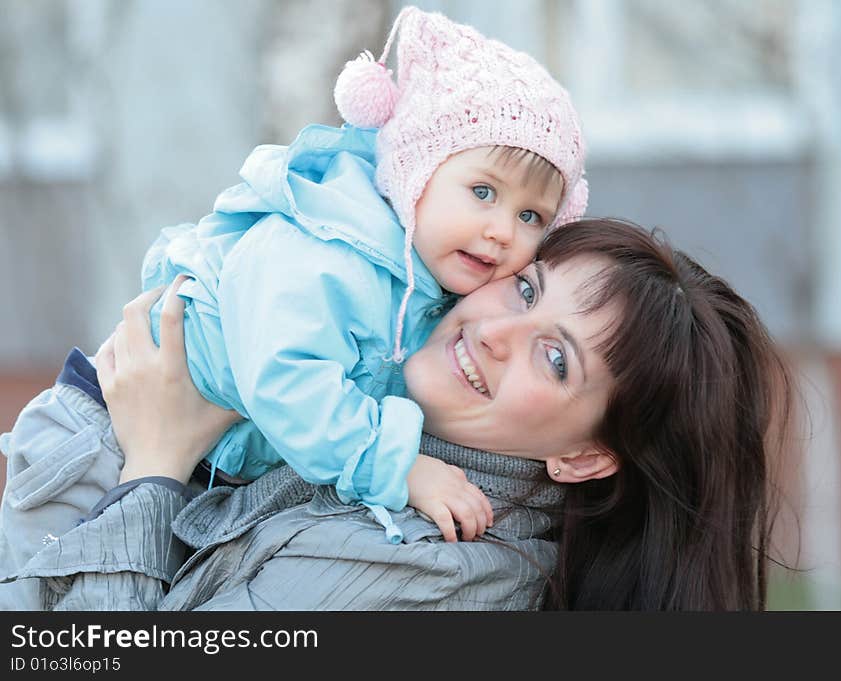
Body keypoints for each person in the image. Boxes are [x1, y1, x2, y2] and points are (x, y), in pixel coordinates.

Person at [0, 3, 588, 570]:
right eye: (483, 192)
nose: (501, 231)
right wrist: (398, 466)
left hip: (183, 458)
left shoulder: (428, 280)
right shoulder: (331, 246)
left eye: (531, 217)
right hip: (101, 437)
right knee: (49, 624)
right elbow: (286, 375)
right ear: (417, 171)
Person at [1, 218, 795, 611]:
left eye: (555, 359)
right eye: (526, 288)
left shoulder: (437, 573)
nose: (492, 331)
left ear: (585, 457)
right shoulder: (363, 429)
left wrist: (155, 466)